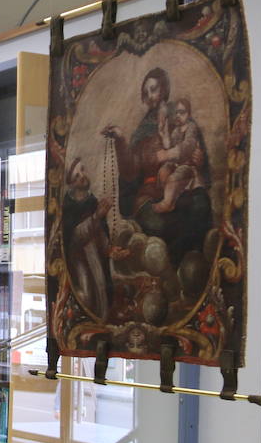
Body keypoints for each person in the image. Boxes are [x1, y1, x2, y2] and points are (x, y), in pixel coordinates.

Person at [101, 66, 213, 268]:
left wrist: (199, 159)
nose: (150, 96)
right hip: (151, 194)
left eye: (153, 89)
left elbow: (194, 150)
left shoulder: (181, 119)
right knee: (160, 224)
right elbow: (130, 171)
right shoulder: (141, 132)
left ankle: (189, 267)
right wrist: (121, 140)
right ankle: (172, 269)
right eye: (146, 93)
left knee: (201, 206)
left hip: (182, 186)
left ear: (164, 89)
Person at [61, 158, 117, 322]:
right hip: (79, 262)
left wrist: (109, 249)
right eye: (77, 176)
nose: (82, 176)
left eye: (82, 170)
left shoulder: (92, 201)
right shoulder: (69, 206)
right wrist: (96, 217)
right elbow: (74, 238)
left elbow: (101, 233)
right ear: (72, 183)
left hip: (96, 259)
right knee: (88, 297)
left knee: (104, 293)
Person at [151, 95, 209, 214]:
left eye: (182, 112)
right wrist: (164, 136)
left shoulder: (191, 127)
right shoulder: (176, 130)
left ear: (189, 114)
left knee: (175, 177)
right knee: (163, 171)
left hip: (188, 165)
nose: (178, 115)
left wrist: (167, 154)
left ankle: (168, 203)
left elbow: (187, 147)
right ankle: (165, 196)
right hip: (176, 164)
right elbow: (170, 146)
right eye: (177, 112)